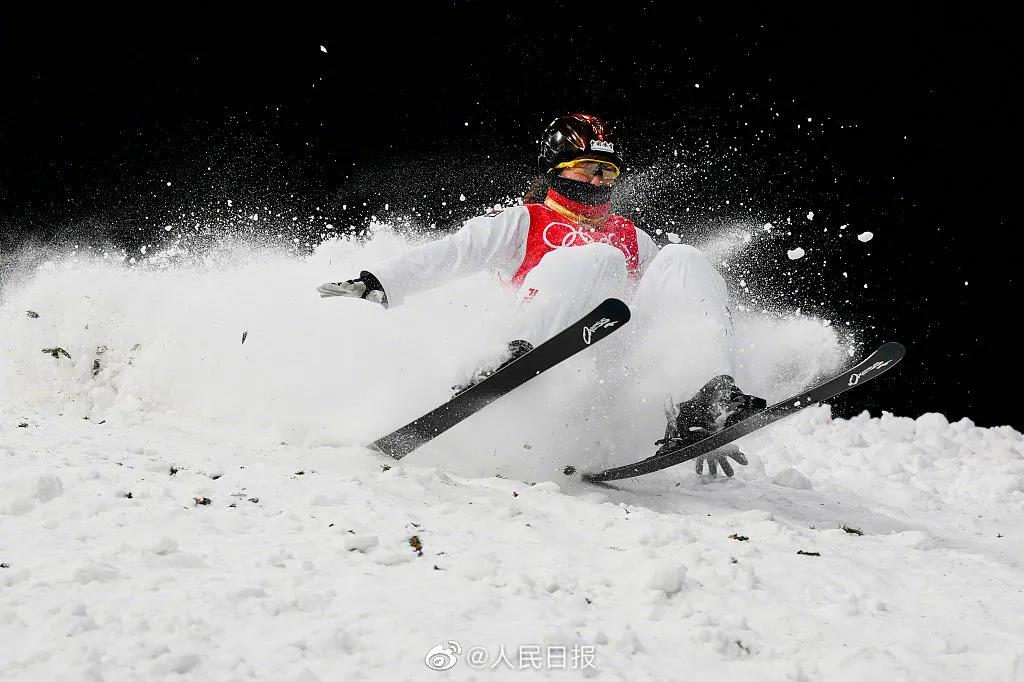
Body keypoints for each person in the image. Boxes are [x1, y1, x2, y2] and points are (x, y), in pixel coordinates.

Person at [317, 113, 764, 476]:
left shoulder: (632, 237)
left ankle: (707, 399)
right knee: (599, 259)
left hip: (612, 373)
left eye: (608, 171)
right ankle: (509, 357)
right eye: (588, 168)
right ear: (559, 170)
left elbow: (680, 307)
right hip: (547, 358)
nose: (598, 181)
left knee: (684, 259)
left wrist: (699, 418)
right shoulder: (525, 221)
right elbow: (450, 254)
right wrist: (378, 279)